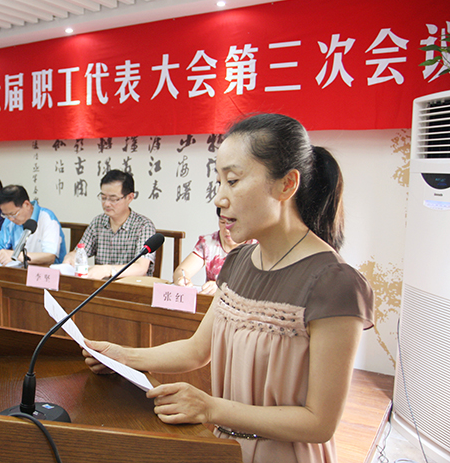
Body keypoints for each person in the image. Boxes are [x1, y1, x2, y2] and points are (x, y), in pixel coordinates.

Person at [83, 114, 374, 463]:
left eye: (233, 181)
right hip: (227, 449)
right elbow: (196, 350)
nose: (220, 198)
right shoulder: (238, 263)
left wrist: (210, 408)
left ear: (286, 185)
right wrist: (124, 357)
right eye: (219, 182)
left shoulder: (334, 283)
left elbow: (319, 423)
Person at [63, 170, 156, 279]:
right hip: (100, 287)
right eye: (103, 197)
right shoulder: (98, 222)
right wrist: (71, 257)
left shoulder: (144, 226)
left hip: (131, 287)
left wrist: (107, 270)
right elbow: (80, 251)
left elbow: (141, 268)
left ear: (130, 198)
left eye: (113, 199)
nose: (106, 203)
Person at [173, 207, 255, 295]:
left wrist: (222, 287)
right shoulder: (209, 242)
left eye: (232, 223)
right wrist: (182, 279)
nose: (227, 229)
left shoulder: (258, 247)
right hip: (212, 302)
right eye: (222, 222)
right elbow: (182, 270)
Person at [0, 185, 66, 266]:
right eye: (6, 215)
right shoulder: (10, 220)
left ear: (26, 205)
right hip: (20, 269)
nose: (10, 219)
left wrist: (16, 255)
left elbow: (50, 257)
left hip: (46, 271)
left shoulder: (47, 218)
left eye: (13, 214)